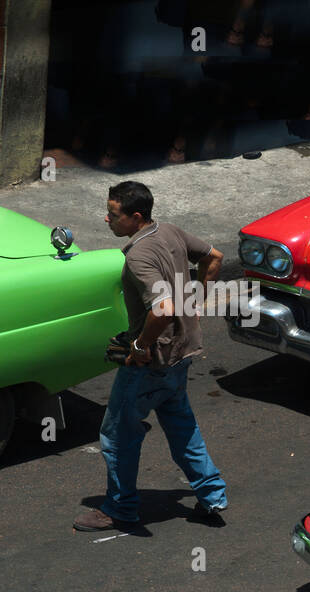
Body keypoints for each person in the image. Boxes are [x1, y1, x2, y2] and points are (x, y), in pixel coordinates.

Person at [74, 181, 229, 531]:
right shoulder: (170, 231)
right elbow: (214, 258)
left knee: (117, 435)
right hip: (182, 352)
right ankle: (212, 495)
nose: (106, 219)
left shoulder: (139, 255)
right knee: (180, 424)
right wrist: (196, 304)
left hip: (152, 363)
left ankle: (120, 508)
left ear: (136, 217)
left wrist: (140, 346)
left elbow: (162, 308)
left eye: (114, 215)